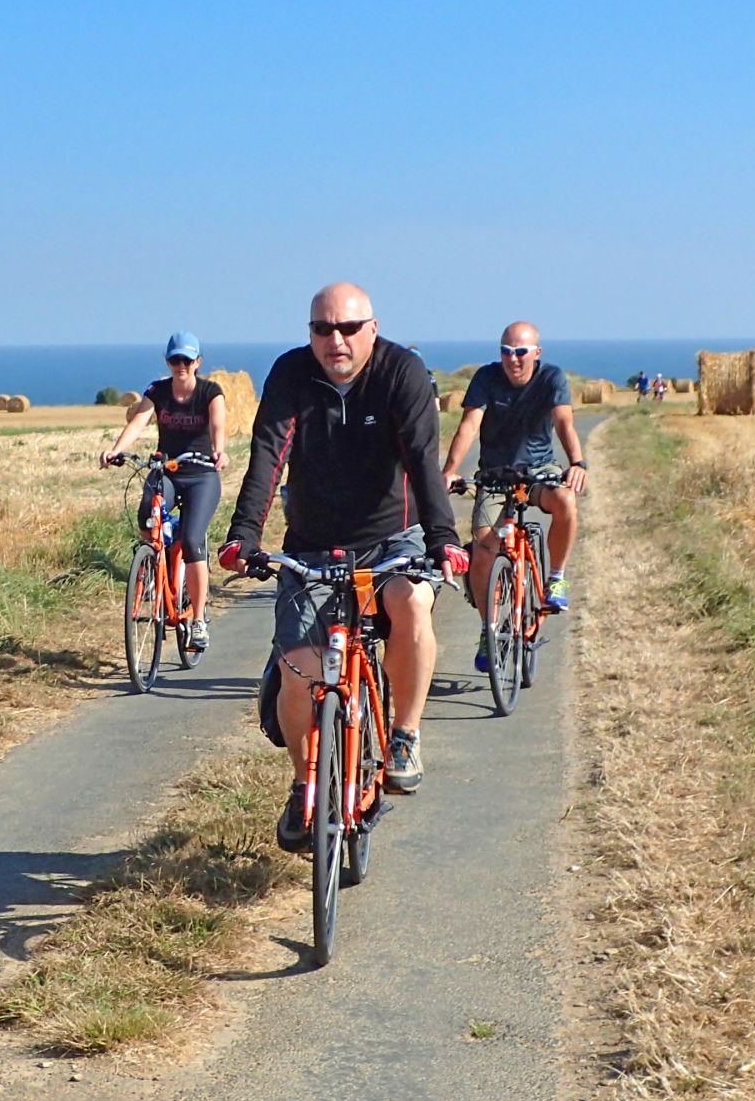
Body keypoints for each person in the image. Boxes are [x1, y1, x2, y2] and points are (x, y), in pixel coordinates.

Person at [216, 282, 466, 849]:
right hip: (312, 542)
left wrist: (443, 538)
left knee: (410, 603)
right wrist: (244, 537)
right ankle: (306, 785)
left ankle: (404, 734)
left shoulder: (400, 373)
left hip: (392, 539)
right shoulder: (291, 375)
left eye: (349, 328)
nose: (336, 340)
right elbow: (267, 453)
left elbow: (423, 458)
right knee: (300, 666)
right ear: (309, 333)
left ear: (371, 329)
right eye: (322, 329)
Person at [440, 322, 588, 668]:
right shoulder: (486, 378)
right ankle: (488, 629)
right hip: (494, 474)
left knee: (564, 500)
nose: (513, 359)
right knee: (482, 549)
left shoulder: (552, 378)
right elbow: (469, 425)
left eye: (521, 351)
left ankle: (555, 579)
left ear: (536, 353)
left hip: (539, 471)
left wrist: (577, 462)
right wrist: (449, 470)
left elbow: (564, 422)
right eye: (506, 351)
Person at [100, 330, 229, 652]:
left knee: (193, 540)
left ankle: (197, 620)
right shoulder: (157, 391)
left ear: (198, 362)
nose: (181, 365)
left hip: (201, 474)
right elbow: (137, 422)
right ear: (167, 362)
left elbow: (218, 426)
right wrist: (116, 450)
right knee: (148, 515)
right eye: (175, 360)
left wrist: (220, 450)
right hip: (167, 469)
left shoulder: (210, 392)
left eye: (187, 359)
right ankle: (155, 562)